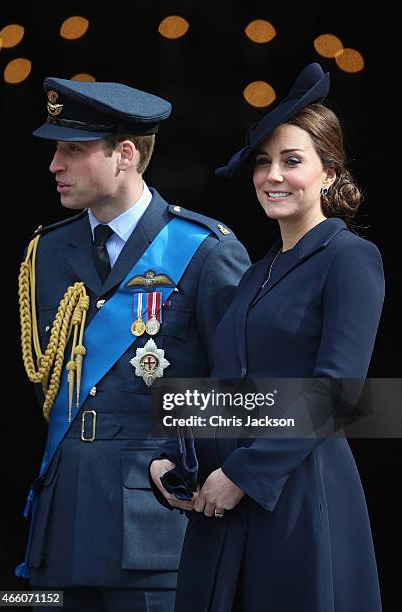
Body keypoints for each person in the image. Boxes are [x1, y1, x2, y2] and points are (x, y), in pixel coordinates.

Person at [150, 63, 384, 611]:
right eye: (263, 162)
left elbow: (338, 394)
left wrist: (242, 474)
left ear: (329, 173)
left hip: (299, 494)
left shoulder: (350, 258)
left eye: (292, 161)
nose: (272, 175)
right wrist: (169, 453)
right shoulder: (257, 271)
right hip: (224, 500)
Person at [16, 77, 250, 611]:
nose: (55, 164)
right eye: (56, 149)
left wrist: (185, 460)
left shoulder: (204, 250)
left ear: (125, 155)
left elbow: (239, 389)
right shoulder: (45, 252)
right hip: (60, 526)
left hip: (153, 525)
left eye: (72, 150)